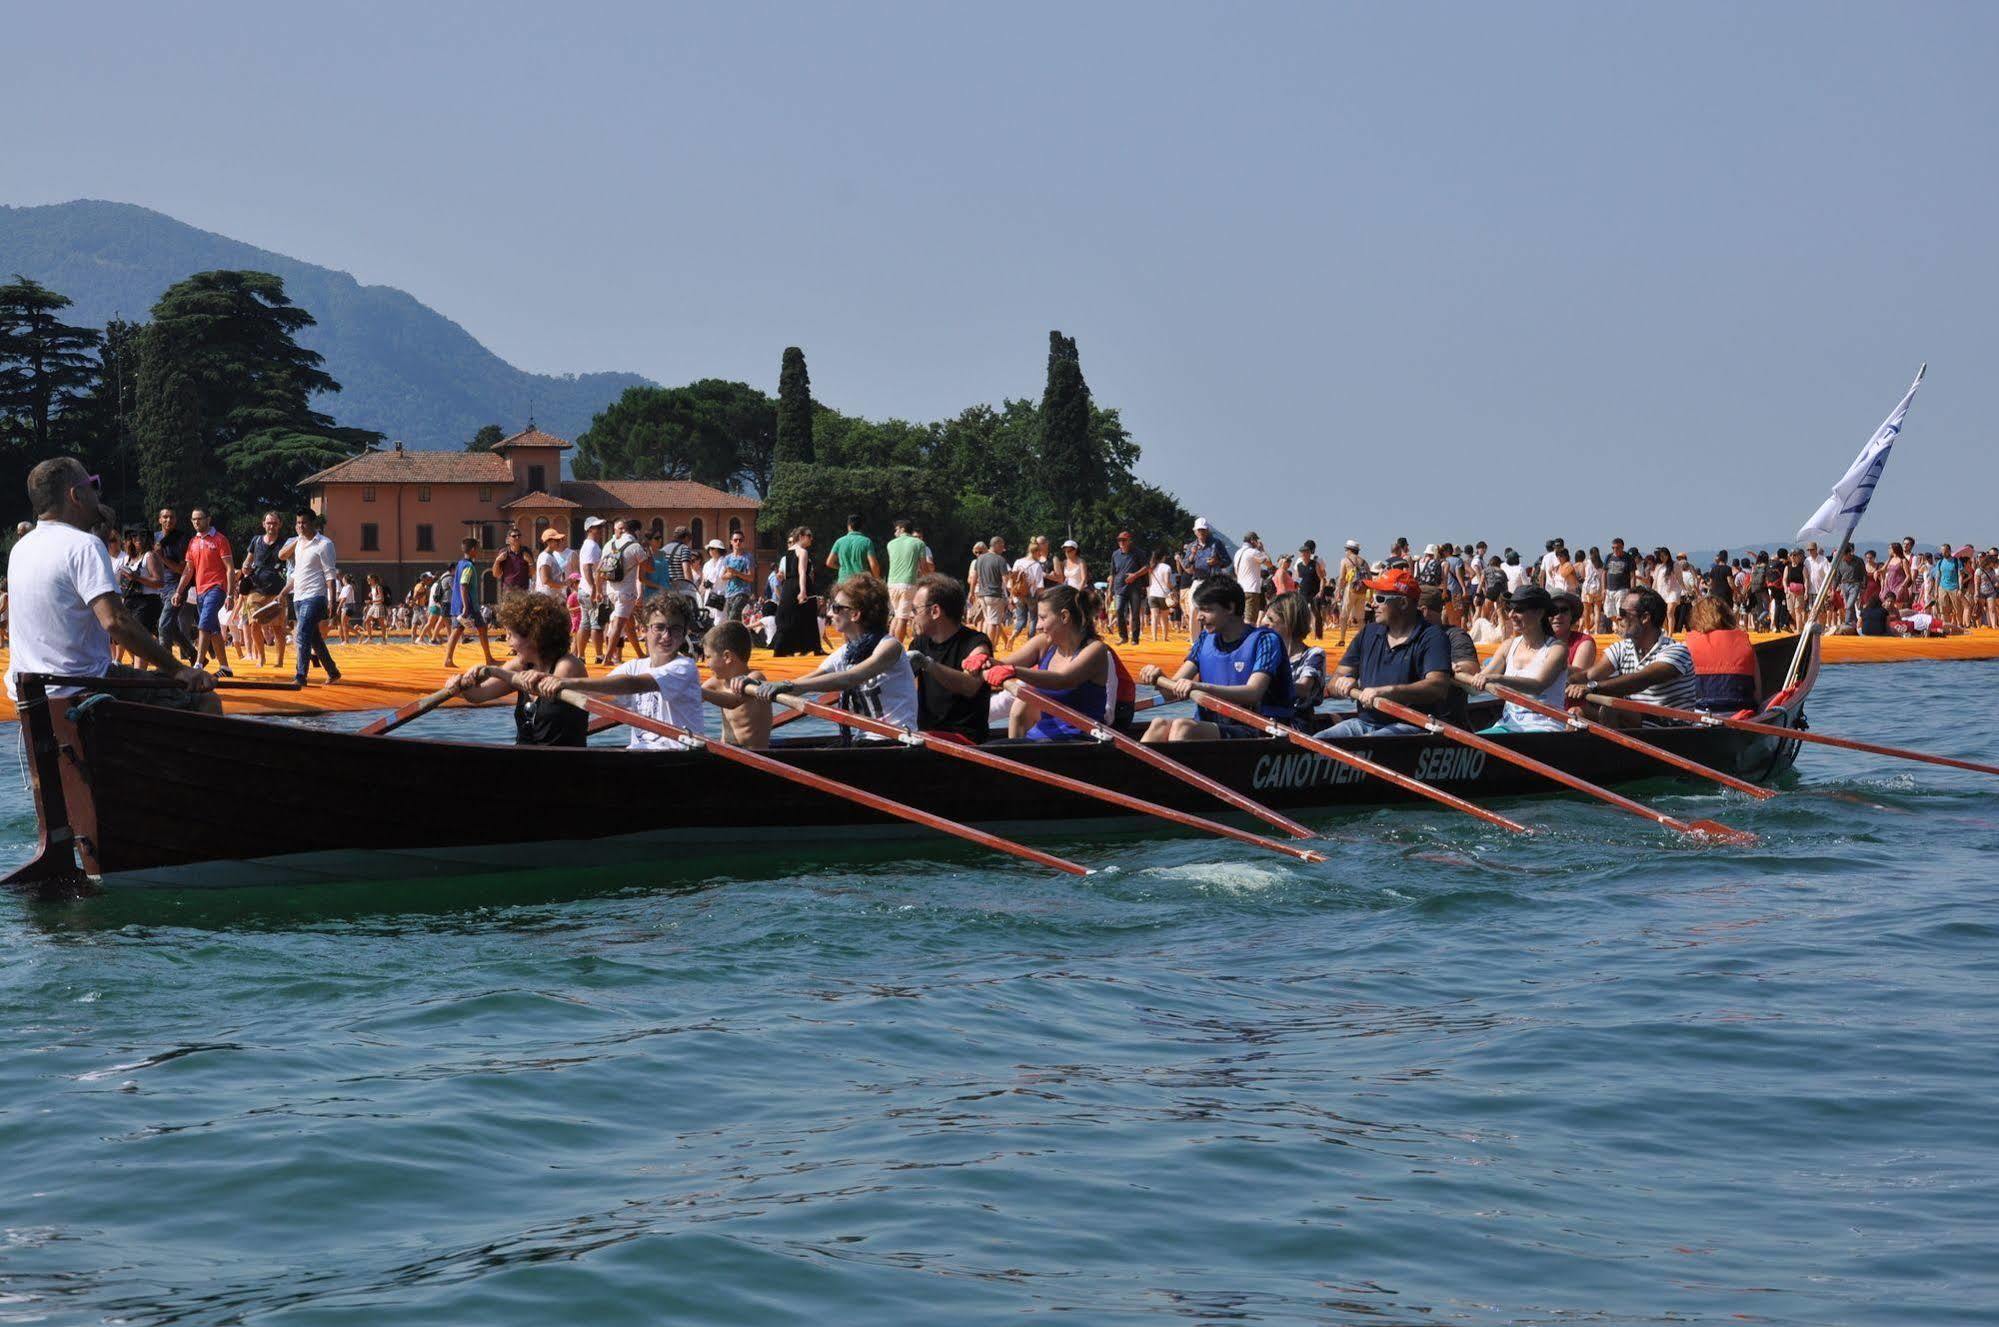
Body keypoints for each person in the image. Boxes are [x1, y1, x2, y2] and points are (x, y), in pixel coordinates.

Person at [4, 458, 219, 711]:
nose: (99, 493)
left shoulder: (20, 549)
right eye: (93, 485)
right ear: (76, 495)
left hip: (31, 695)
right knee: (206, 700)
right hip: (85, 688)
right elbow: (115, 622)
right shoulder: (84, 546)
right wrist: (179, 670)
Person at [760, 573, 918, 740]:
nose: (829, 613)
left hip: (896, 740)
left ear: (855, 614)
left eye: (835, 608)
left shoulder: (890, 647)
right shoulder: (845, 652)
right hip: (864, 741)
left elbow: (850, 678)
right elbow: (803, 684)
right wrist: (759, 686)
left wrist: (788, 685)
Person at [1138, 576, 1292, 742]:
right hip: (1215, 726)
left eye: (1207, 609)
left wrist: (1200, 687)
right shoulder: (1205, 639)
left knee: (1183, 727)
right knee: (1158, 724)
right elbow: (1170, 693)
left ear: (1230, 608)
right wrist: (1158, 678)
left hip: (1260, 729)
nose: (1199, 617)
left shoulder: (1266, 640)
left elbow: (1253, 692)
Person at [1313, 567, 1452, 739]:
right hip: (1364, 723)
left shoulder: (1432, 637)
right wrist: (1342, 684)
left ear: (1403, 603)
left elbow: (1438, 687)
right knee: (1318, 739)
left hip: (1412, 724)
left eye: (1380, 598)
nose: (1372, 603)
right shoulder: (1368, 632)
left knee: (1369, 743)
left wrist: (1387, 692)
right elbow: (1334, 682)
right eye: (1372, 597)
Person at [987, 584, 1132, 741]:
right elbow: (1001, 663)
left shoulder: (1096, 650)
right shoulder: (1044, 643)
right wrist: (981, 659)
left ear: (1064, 617)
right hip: (1039, 740)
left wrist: (1014, 671)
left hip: (1076, 743)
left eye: (1043, 618)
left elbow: (1063, 680)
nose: (1038, 626)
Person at [451, 591, 590, 746]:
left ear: (534, 636)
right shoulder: (519, 665)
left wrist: (494, 671)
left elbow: (543, 688)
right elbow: (479, 695)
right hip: (523, 762)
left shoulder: (568, 665)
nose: (507, 642)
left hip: (566, 763)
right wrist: (461, 687)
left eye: (510, 634)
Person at [1570, 587, 1698, 724]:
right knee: (1576, 713)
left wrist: (1593, 687)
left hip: (1672, 729)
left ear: (1645, 618)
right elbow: (1588, 675)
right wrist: (1560, 678)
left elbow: (1640, 680)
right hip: (1638, 721)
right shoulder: (1622, 648)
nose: (1618, 617)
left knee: (1613, 710)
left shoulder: (1677, 651)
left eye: (1623, 613)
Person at [903, 573, 995, 744]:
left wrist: (928, 664)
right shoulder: (919, 643)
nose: (910, 615)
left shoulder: (976, 644)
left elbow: (970, 686)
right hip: (927, 736)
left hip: (965, 738)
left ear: (935, 611)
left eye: (916, 610)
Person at [1471, 586, 1569, 733]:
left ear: (1539, 613)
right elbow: (1478, 687)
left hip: (1544, 727)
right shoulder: (1508, 645)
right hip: (1507, 725)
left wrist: (1497, 678)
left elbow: (1537, 686)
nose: (1511, 614)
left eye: (1519, 609)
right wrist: (1454, 672)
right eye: (1510, 608)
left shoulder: (1557, 649)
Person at [279, 507, 340, 686]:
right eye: (298, 523)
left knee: (302, 634)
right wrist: (283, 592)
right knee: (313, 638)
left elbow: (330, 575)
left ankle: (300, 676)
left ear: (313, 523)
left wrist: (332, 600)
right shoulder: (298, 544)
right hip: (298, 596)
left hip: (315, 596)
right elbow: (296, 573)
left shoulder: (324, 544)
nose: (300, 526)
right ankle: (333, 671)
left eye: (304, 522)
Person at [1681, 593, 1762, 713]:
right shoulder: (1745, 642)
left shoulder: (1686, 645)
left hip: (1700, 714)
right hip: (1741, 715)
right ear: (1727, 616)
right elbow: (1758, 696)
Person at [178, 507, 235, 676]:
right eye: (194, 519)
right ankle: (225, 668)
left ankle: (198, 665)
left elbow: (230, 568)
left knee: (203, 625)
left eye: (200, 518)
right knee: (214, 629)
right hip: (200, 591)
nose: (197, 522)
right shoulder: (192, 542)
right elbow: (189, 570)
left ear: (208, 519)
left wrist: (230, 594)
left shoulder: (220, 539)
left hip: (217, 588)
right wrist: (179, 591)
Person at [701, 619, 772, 748]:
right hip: (727, 753)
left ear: (727, 657)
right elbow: (690, 698)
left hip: (754, 757)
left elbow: (732, 701)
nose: (706, 664)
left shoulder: (755, 678)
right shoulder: (717, 682)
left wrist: (697, 692)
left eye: (708, 657)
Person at [1261, 589, 1325, 729]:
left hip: (1296, 723)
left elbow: (1303, 689)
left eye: (1270, 619)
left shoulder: (1313, 654)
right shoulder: (1265, 653)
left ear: (1289, 622)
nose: (1263, 622)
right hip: (1266, 719)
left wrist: (1260, 686)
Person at [440, 536, 495, 670]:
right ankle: (489, 659)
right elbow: (463, 585)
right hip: (469, 606)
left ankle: (448, 659)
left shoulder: (460, 564)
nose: (479, 551)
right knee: (481, 629)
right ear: (472, 549)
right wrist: (466, 606)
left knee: (458, 631)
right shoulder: (469, 566)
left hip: (459, 604)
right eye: (478, 549)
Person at [599, 517, 647, 664]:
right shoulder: (635, 547)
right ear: (636, 531)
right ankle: (607, 658)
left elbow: (600, 569)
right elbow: (647, 569)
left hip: (611, 590)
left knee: (629, 624)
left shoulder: (609, 544)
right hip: (626, 592)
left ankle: (639, 653)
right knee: (619, 623)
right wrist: (648, 551)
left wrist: (597, 589)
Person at [772, 526, 822, 656]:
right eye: (809, 535)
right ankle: (813, 647)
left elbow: (786, 573)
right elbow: (802, 572)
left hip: (788, 586)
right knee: (809, 615)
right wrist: (803, 590)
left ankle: (784, 648)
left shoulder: (788, 552)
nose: (811, 538)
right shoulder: (803, 552)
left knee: (789, 616)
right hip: (800, 585)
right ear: (801, 536)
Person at [1178, 518, 1228, 625]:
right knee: (1193, 610)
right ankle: (1195, 640)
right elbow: (1186, 565)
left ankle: (1210, 636)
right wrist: (1192, 554)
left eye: (1203, 530)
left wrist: (1217, 561)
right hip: (1198, 580)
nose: (1201, 532)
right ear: (1195, 531)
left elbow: (1227, 560)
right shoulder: (1192, 546)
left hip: (1213, 581)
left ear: (1207, 530)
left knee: (1211, 610)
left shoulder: (1216, 543)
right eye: (1199, 530)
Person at [885, 517, 927, 641]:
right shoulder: (919, 543)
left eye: (896, 530)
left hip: (892, 583)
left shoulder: (890, 544)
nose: (895, 532)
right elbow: (923, 567)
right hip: (908, 583)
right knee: (903, 618)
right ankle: (897, 650)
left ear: (902, 529)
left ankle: (889, 645)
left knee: (897, 616)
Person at [576, 515, 607, 663]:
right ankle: (599, 655)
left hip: (584, 589)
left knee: (585, 622)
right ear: (589, 529)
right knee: (596, 623)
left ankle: (581, 656)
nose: (601, 530)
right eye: (598, 527)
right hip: (589, 590)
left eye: (601, 527)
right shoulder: (591, 546)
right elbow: (587, 568)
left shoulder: (588, 545)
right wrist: (595, 588)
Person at [968, 534, 1010, 641]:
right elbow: (1006, 580)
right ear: (996, 545)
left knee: (987, 620)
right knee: (994, 623)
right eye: (1001, 547)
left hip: (982, 595)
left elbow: (974, 577)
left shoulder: (980, 559)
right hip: (995, 595)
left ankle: (984, 643)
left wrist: (971, 592)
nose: (1002, 549)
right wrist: (1010, 595)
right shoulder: (1000, 560)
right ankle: (990, 647)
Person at [1109, 530, 1146, 645]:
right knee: (1119, 610)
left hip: (1135, 587)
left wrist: (1135, 575)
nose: (1121, 542)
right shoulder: (1115, 554)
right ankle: (1123, 637)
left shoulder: (1138, 552)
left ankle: (1135, 638)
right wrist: (1110, 590)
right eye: (1119, 540)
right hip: (1119, 587)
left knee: (1135, 613)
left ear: (1129, 541)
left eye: (1124, 540)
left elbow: (1146, 567)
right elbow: (1112, 573)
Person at [826, 514, 881, 583]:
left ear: (849, 526)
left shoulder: (839, 542)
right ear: (861, 527)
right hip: (860, 582)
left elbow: (829, 562)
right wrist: (877, 579)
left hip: (843, 582)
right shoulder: (866, 541)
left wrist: (842, 567)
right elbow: (873, 565)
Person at [1335, 539, 1368, 644]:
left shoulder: (1345, 560)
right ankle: (1363, 640)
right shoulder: (1363, 561)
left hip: (1351, 589)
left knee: (1344, 615)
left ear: (1349, 550)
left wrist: (1338, 592)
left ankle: (1342, 639)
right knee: (1360, 618)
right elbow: (1370, 577)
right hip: (1362, 590)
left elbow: (1341, 578)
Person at [719, 528, 754, 624]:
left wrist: (736, 573)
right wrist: (730, 574)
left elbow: (751, 577)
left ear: (743, 542)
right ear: (731, 542)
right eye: (735, 540)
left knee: (732, 618)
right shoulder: (727, 558)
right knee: (735, 621)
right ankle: (740, 638)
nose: (738, 542)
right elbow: (722, 576)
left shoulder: (748, 557)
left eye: (740, 540)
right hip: (729, 593)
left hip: (742, 592)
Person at [492, 526, 534, 598]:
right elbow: (496, 574)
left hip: (523, 592)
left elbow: (532, 573)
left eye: (519, 535)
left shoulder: (527, 551)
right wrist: (497, 561)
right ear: (508, 539)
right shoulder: (503, 552)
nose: (517, 537)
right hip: (508, 592)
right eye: (514, 536)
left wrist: (530, 561)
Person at [535, 526, 571, 605]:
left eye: (560, 540)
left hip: (552, 598)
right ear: (548, 542)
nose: (559, 542)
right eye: (557, 540)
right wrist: (563, 585)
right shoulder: (545, 557)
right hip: (546, 599)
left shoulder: (551, 556)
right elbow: (546, 580)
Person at [1147, 549, 1174, 643]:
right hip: (1163, 594)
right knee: (1164, 618)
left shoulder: (1151, 568)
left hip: (1152, 593)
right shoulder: (1166, 567)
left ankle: (1154, 638)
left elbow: (1149, 582)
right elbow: (1167, 582)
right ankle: (1165, 638)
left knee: (1154, 617)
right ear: (1163, 557)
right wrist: (1173, 588)